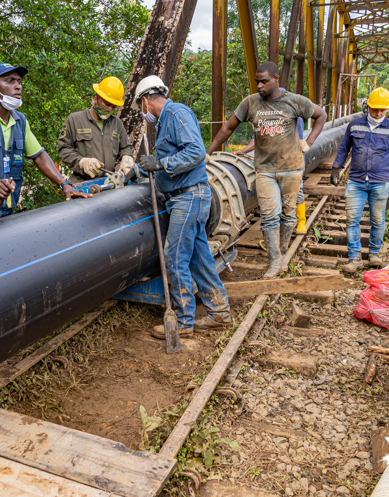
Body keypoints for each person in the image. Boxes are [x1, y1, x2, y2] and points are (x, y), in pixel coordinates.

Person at [124, 75, 231, 339]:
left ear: (146, 100)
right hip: (185, 197)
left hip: (188, 197)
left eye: (140, 107)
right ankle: (219, 313)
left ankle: (183, 323)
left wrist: (161, 164)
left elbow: (195, 152)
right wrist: (135, 170)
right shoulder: (164, 123)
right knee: (200, 257)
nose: (142, 112)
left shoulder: (177, 113)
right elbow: (161, 161)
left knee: (173, 257)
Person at [207, 62, 327, 279]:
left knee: (288, 215)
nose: (260, 86)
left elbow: (321, 115)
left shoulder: (294, 100)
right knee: (270, 216)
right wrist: (208, 152)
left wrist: (308, 141)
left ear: (275, 79)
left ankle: (281, 251)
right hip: (265, 170)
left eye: (264, 81)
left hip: (291, 168)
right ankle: (275, 261)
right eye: (257, 82)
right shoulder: (251, 103)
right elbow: (228, 127)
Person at [0, 63, 89, 228]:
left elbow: (39, 156)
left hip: (5, 209)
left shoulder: (20, 121)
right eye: (10, 81)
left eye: (19, 81)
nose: (18, 86)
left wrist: (64, 183)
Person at [330, 87, 389, 273]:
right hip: (356, 181)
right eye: (375, 109)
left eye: (382, 110)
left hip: (380, 181)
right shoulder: (355, 125)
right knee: (352, 220)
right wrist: (336, 167)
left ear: (387, 109)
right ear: (368, 107)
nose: (378, 113)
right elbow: (344, 148)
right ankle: (354, 258)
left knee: (377, 220)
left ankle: (374, 254)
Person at [236, 104, 309, 234]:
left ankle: (301, 221)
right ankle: (278, 226)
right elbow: (257, 138)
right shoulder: (266, 118)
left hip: (292, 162)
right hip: (271, 163)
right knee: (275, 194)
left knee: (296, 191)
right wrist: (243, 151)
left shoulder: (295, 118)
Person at [57, 76, 134, 183]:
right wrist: (82, 162)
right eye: (107, 104)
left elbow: (125, 147)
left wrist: (127, 157)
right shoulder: (75, 120)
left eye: (113, 107)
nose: (110, 109)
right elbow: (64, 149)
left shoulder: (116, 123)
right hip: (82, 185)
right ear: (95, 99)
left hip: (110, 183)